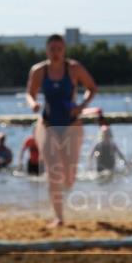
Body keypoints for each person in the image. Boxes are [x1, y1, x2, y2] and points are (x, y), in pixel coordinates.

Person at [25, 34, 98, 227]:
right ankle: (59, 217)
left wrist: (82, 105)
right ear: (47, 50)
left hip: (72, 125)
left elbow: (92, 87)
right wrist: (33, 104)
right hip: (48, 125)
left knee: (69, 176)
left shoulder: (74, 68)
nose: (56, 53)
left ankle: (66, 196)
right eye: (52, 49)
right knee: (53, 172)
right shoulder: (39, 70)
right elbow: (30, 93)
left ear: (64, 50)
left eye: (59, 49)